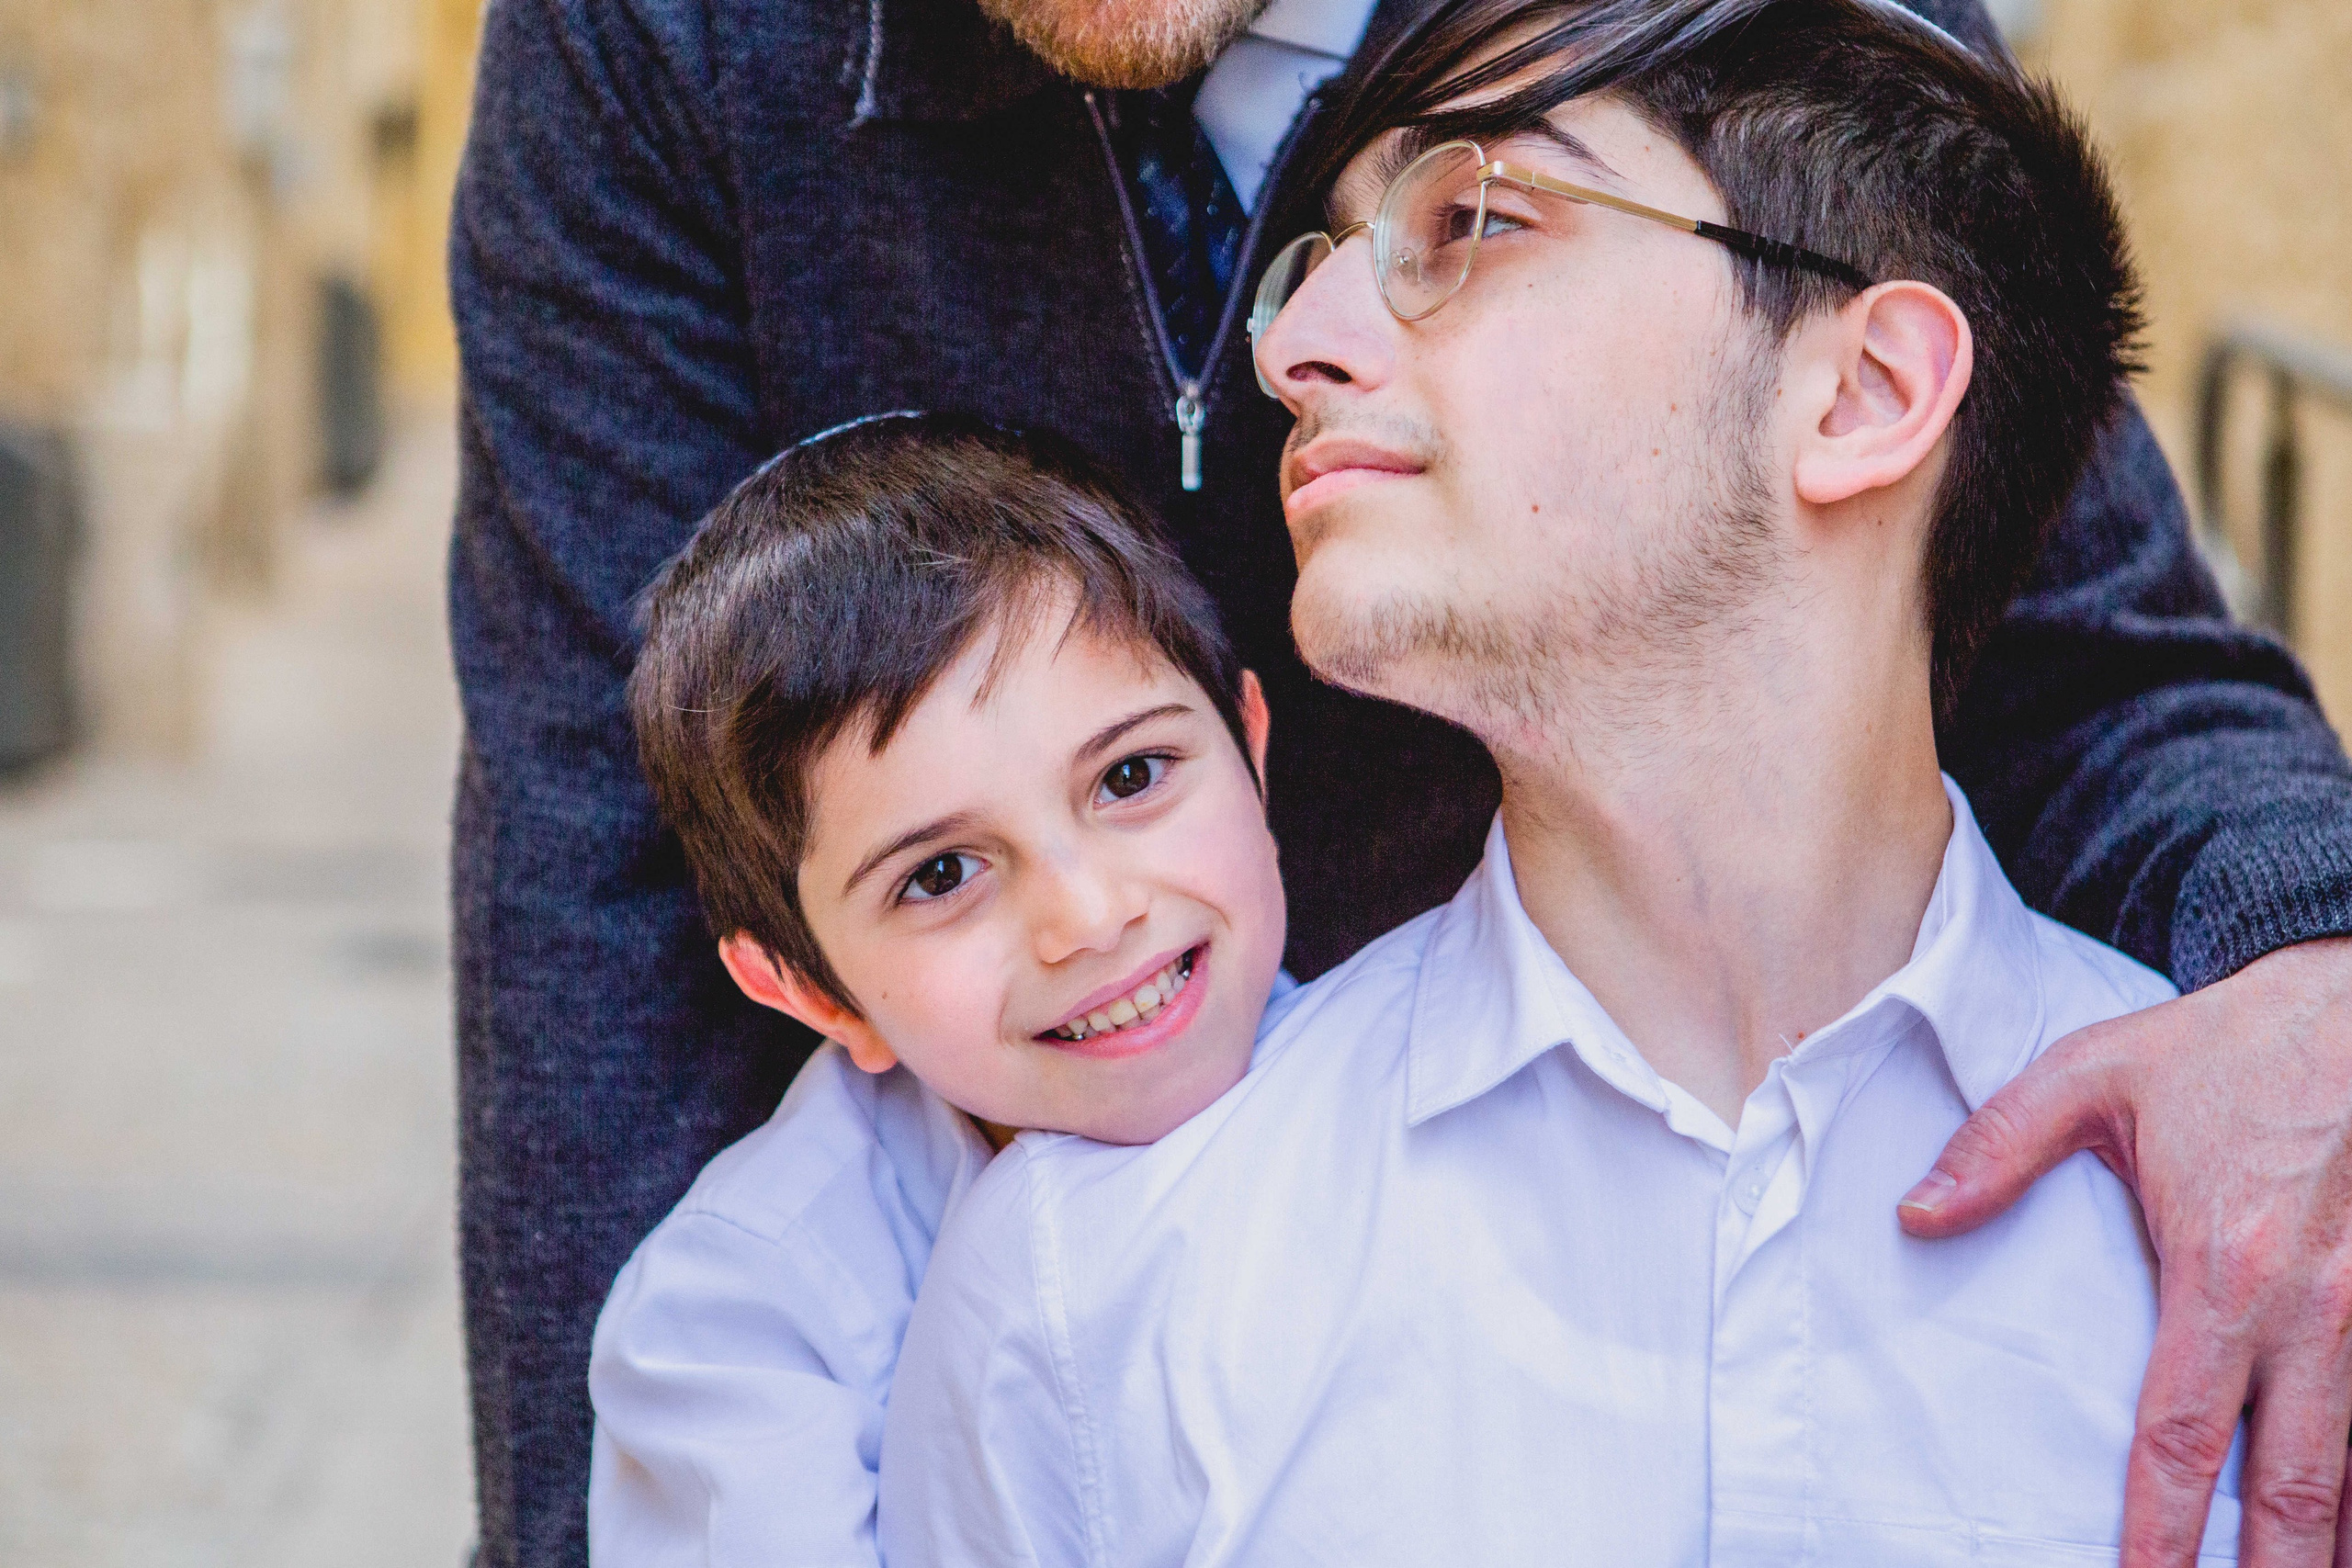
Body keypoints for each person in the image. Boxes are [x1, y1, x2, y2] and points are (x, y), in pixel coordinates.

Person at [450, 0, 2352, 1562]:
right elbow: (592, 885)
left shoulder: (2196, 1275)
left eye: (1471, 221)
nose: (1293, 351)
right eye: (1334, 256)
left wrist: (2316, 973)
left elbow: (2087, 644)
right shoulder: (1073, 1309)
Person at [588, 413, 1298, 1563]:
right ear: (812, 992)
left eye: (1130, 776)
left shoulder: (1432, 1083)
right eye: (941, 875)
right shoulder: (742, 1328)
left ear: (1251, 753)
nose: (1089, 917)